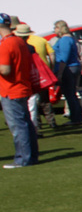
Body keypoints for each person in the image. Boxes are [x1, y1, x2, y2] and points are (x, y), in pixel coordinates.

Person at [0, 17, 40, 167]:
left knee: (18, 126)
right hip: (22, 86)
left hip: (11, 89)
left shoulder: (6, 44)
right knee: (26, 124)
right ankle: (31, 156)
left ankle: (23, 158)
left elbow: (5, 69)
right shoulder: (18, 41)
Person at [50, 21, 82, 124]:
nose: (54, 30)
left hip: (68, 68)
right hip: (73, 67)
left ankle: (75, 118)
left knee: (70, 95)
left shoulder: (65, 40)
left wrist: (59, 73)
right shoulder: (71, 39)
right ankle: (77, 116)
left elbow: (64, 58)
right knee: (72, 94)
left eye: (55, 28)